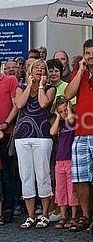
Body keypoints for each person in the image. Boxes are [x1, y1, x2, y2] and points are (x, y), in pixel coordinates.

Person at [64, 39, 93, 231]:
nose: (91, 56)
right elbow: (68, 94)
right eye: (87, 53)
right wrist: (81, 72)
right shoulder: (79, 73)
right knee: (80, 177)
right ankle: (85, 215)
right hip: (81, 132)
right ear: (83, 55)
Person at [12, 59, 56, 229]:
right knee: (26, 176)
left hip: (42, 135)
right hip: (22, 136)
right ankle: (30, 215)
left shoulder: (49, 88)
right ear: (30, 70)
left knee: (43, 175)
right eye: (36, 67)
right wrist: (29, 85)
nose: (39, 70)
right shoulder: (21, 87)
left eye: (42, 68)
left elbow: (44, 103)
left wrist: (40, 86)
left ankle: (44, 215)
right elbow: (20, 104)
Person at [49, 97, 79, 229]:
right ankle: (63, 216)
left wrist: (70, 109)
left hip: (71, 159)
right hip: (60, 160)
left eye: (65, 110)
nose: (64, 113)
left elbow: (71, 119)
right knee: (60, 189)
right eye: (61, 111)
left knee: (71, 189)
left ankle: (73, 216)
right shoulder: (60, 124)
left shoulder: (73, 121)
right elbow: (52, 132)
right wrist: (57, 117)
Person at [0, 68, 19, 223]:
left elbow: (16, 105)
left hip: (6, 133)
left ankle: (8, 209)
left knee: (7, 173)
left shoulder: (10, 80)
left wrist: (7, 122)